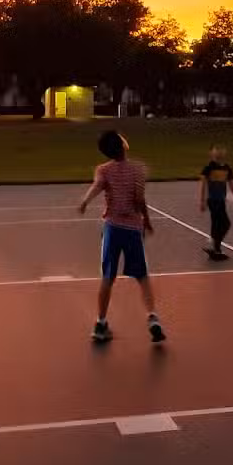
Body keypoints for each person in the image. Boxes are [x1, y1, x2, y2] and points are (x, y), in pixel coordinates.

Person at [77, 129, 164, 345]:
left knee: (107, 277)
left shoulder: (103, 170)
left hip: (112, 228)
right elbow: (140, 200)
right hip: (132, 229)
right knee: (142, 276)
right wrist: (147, 221)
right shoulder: (137, 169)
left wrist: (85, 201)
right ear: (122, 144)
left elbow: (96, 187)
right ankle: (152, 317)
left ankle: (100, 323)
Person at [197, 145, 233, 260]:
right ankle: (216, 248)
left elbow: (231, 184)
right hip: (213, 200)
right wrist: (202, 201)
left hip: (221, 200)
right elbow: (202, 184)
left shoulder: (226, 168)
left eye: (219, 152)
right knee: (223, 223)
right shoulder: (208, 168)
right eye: (215, 152)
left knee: (220, 224)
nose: (217, 154)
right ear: (212, 154)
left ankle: (215, 247)